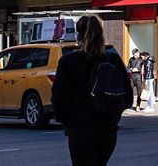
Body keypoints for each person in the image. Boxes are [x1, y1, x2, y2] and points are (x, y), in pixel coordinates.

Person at [51, 14, 132, 166]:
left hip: (80, 130)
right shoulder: (112, 59)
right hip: (107, 129)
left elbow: (58, 98)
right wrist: (114, 119)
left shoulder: (69, 62)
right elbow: (127, 96)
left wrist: (67, 122)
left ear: (78, 35)